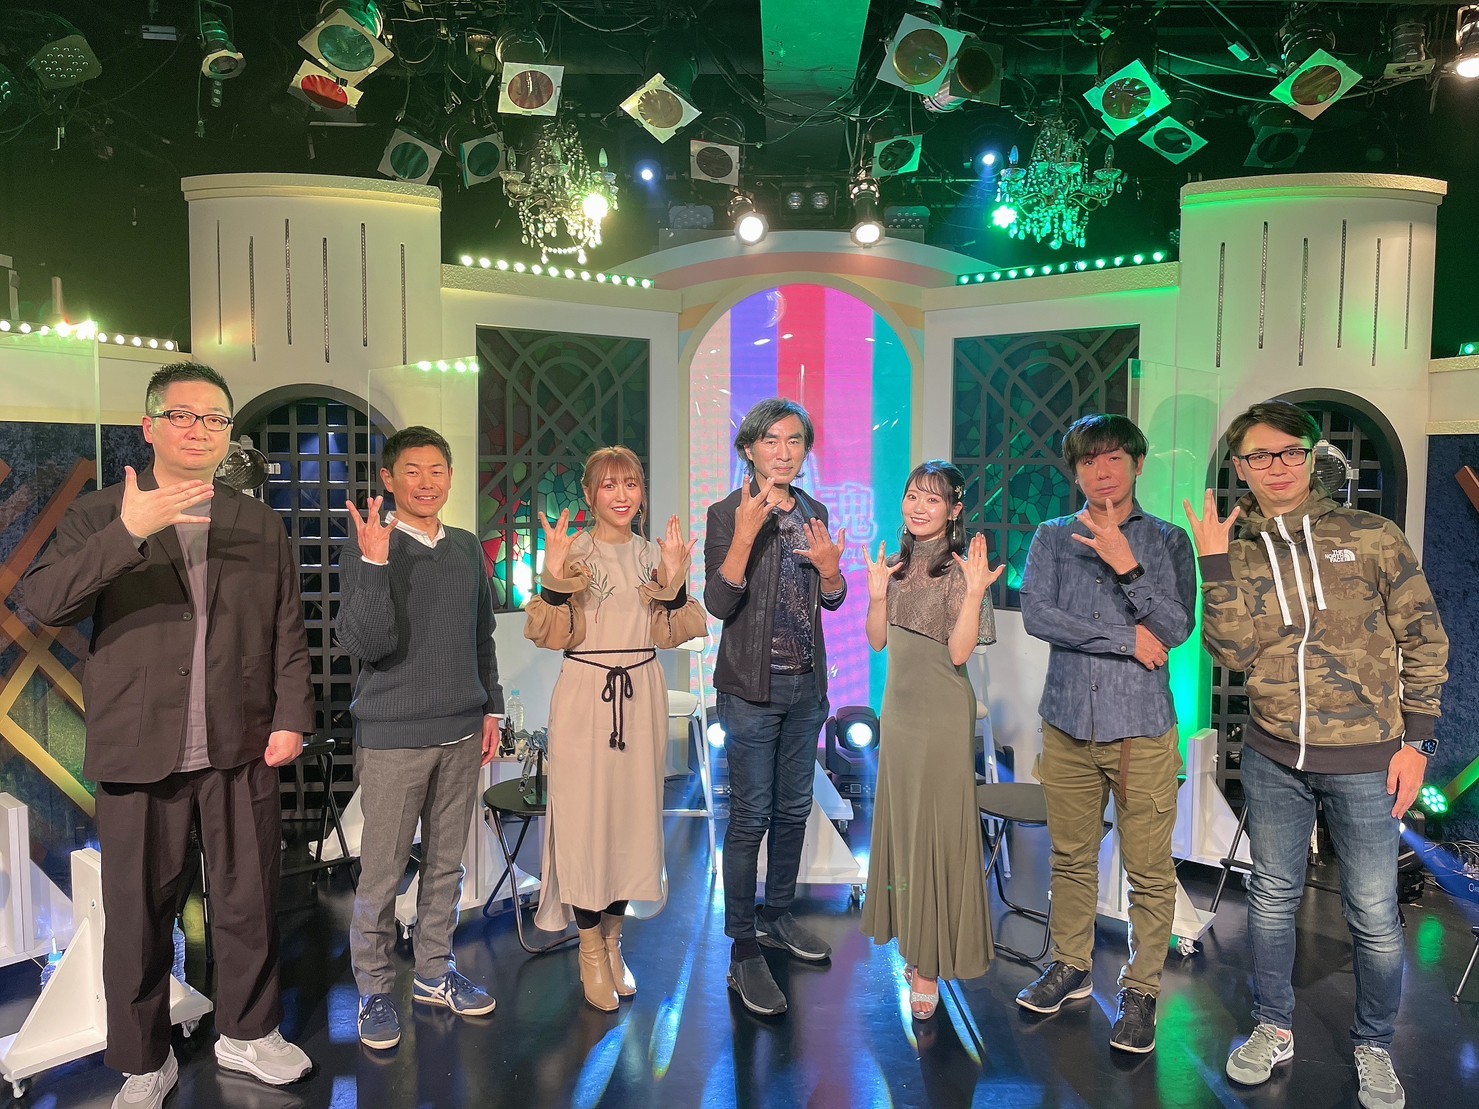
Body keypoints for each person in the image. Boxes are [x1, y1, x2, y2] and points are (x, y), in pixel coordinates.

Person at [24, 363, 315, 1109]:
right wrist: (129, 532)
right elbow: (43, 600)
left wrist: (291, 715)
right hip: (137, 745)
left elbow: (286, 626)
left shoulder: (257, 521)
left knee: (249, 898)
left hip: (240, 741)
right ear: (149, 426)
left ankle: (248, 1031)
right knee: (137, 912)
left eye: (214, 419)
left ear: (227, 434)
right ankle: (143, 1055)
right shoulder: (101, 512)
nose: (199, 430)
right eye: (182, 415)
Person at [1186, 400, 1448, 1109]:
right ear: (1239, 467)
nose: (1274, 467)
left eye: (1288, 452)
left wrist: (1418, 741)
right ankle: (1273, 1026)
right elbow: (1232, 652)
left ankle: (1374, 1044)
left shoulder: (1371, 535)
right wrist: (1213, 562)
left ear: (1310, 456)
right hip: (1273, 756)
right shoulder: (1238, 547)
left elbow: (1424, 637)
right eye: (1257, 456)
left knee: (1373, 912)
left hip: (1367, 758)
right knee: (1271, 900)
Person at [1017, 413, 1196, 1053]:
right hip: (1066, 721)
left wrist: (1127, 566)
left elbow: (1175, 628)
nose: (1102, 471)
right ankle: (1071, 965)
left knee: (1149, 869)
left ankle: (1141, 990)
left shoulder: (1168, 540)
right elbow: (1038, 615)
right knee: (1071, 856)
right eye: (1089, 461)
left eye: (1114, 458)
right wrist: (1124, 639)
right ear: (1076, 472)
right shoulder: (1050, 536)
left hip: (1140, 730)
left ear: (1138, 465)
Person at [336, 426, 504, 1050]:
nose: (426, 482)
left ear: (451, 477)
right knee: (381, 870)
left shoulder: (465, 547)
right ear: (388, 479)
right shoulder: (368, 547)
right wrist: (375, 564)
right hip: (393, 736)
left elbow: (481, 637)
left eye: (437, 470)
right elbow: (366, 643)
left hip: (461, 729)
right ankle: (374, 988)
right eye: (412, 471)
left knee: (445, 862)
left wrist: (492, 708)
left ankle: (435, 970)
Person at [523, 446, 704, 1011]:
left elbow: (677, 631)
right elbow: (550, 634)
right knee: (586, 822)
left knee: (630, 821)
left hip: (641, 692)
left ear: (642, 493)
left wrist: (674, 580)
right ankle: (589, 950)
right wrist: (554, 577)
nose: (621, 495)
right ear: (589, 494)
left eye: (630, 483)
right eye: (608, 485)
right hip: (585, 694)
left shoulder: (654, 554)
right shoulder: (572, 552)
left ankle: (613, 941)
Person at [704, 397, 847, 1017]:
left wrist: (833, 574)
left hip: (806, 688)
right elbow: (718, 603)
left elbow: (831, 600)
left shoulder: (815, 512)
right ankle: (741, 949)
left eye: (794, 441)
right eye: (772, 441)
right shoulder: (724, 513)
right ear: (749, 450)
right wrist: (743, 536)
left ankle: (778, 915)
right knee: (750, 817)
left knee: (793, 811)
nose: (784, 452)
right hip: (749, 690)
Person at [860, 460, 999, 1020]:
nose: (919, 507)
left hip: (942, 714)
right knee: (904, 826)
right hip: (898, 712)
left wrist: (974, 594)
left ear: (955, 510)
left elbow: (960, 653)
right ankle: (912, 934)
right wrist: (876, 594)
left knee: (938, 832)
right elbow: (876, 642)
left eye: (933, 499)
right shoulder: (895, 566)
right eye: (913, 495)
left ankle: (929, 966)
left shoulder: (964, 571)